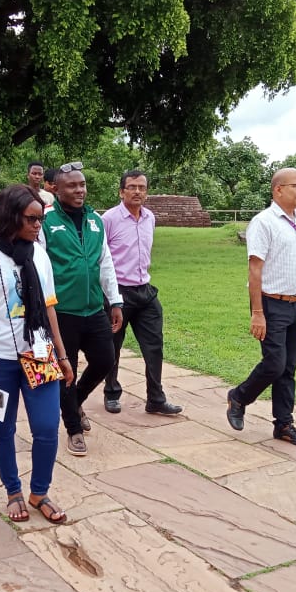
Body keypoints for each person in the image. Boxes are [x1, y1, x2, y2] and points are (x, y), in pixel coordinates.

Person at [0, 184, 74, 524]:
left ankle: (39, 492)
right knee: (2, 429)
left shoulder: (39, 254)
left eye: (40, 219)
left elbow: (50, 308)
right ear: (10, 217)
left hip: (39, 352)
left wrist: (63, 355)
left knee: (46, 427)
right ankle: (13, 491)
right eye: (31, 219)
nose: (37, 226)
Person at [226, 168, 296, 447]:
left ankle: (284, 424)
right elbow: (254, 270)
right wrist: (257, 313)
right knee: (274, 363)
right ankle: (239, 396)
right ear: (278, 190)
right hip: (271, 304)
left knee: (288, 368)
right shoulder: (263, 223)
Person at [41, 162, 123, 457]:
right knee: (67, 370)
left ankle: (75, 400)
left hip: (93, 308)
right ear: (56, 189)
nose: (80, 190)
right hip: (61, 312)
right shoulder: (46, 221)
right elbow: (39, 265)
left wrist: (114, 300)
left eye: (83, 184)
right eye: (72, 186)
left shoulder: (95, 220)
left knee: (105, 359)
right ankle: (73, 428)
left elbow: (105, 263)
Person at [101, 171, 182, 415]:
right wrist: (108, 295)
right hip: (118, 293)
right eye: (132, 187)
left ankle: (155, 398)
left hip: (145, 291)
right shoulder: (109, 219)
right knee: (112, 346)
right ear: (121, 191)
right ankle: (111, 392)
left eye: (142, 187)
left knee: (154, 345)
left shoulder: (149, 218)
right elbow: (100, 258)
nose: (138, 191)